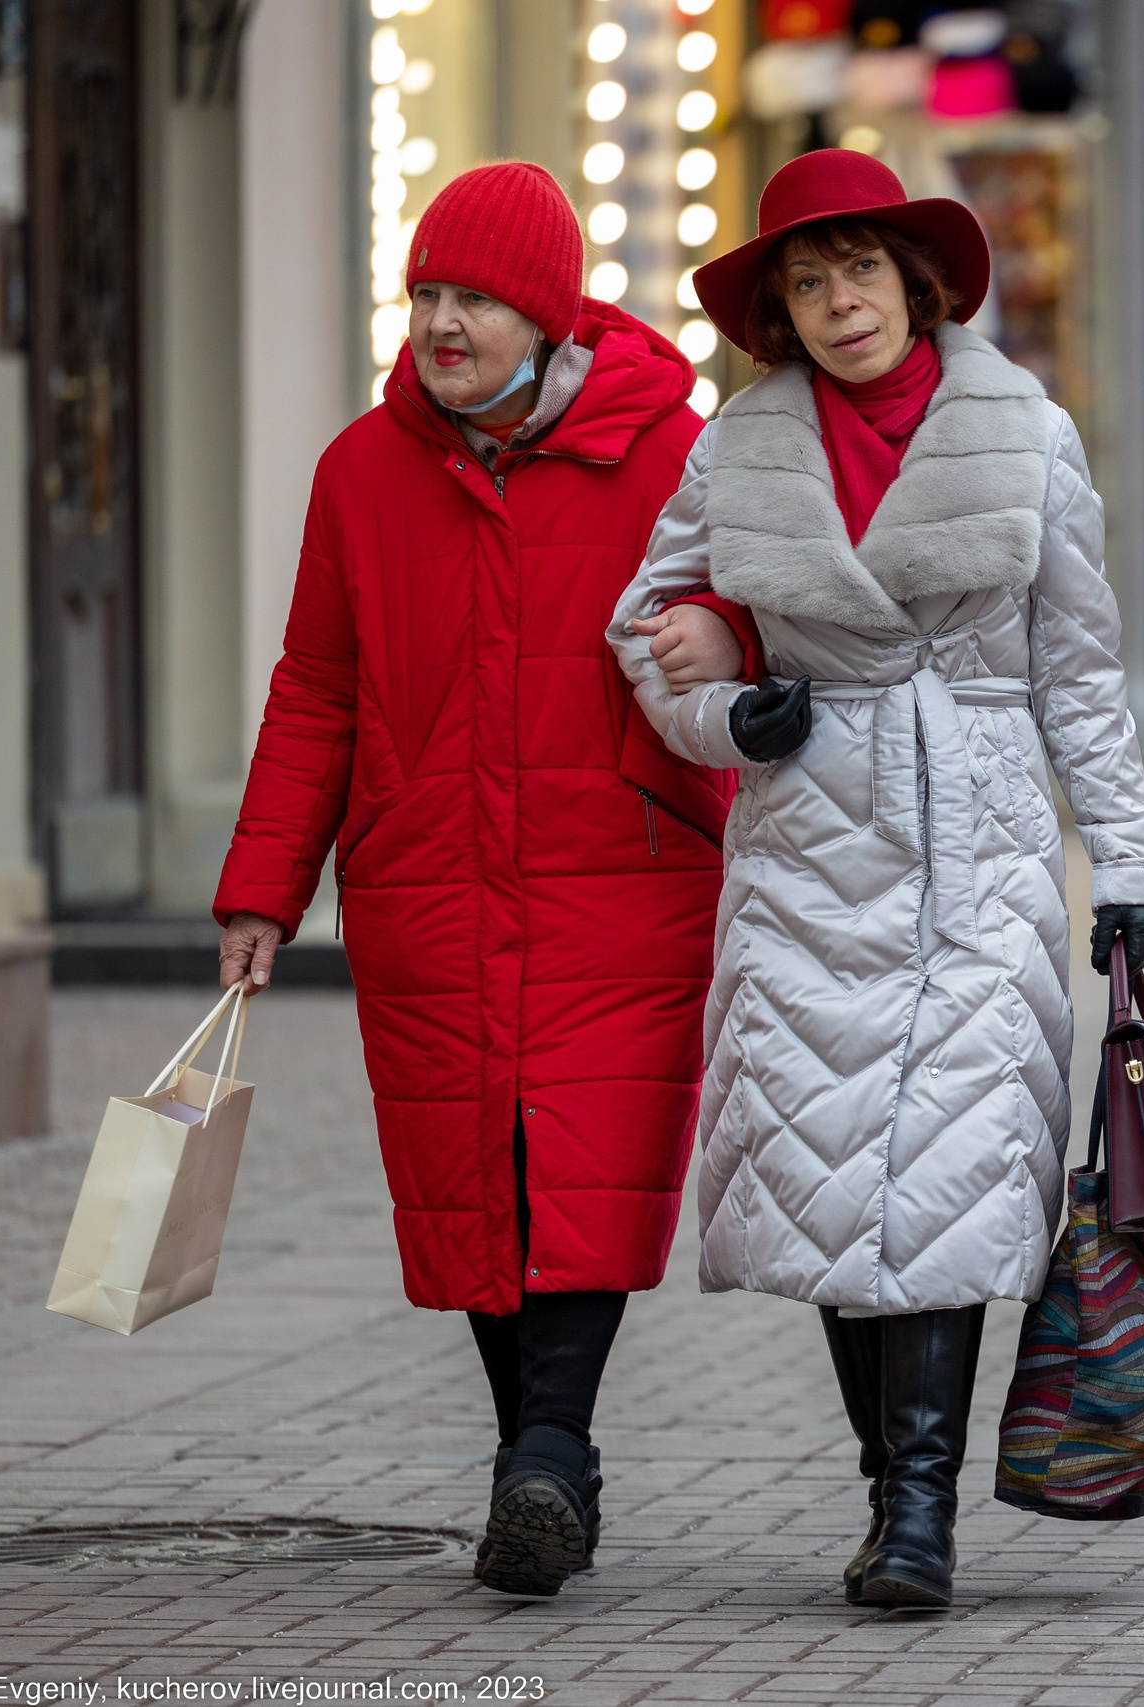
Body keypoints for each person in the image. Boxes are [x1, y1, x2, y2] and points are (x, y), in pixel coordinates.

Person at [606, 151, 1144, 1611]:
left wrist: (1128, 856)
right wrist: (731, 712)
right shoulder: (739, 449)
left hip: (978, 849)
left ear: (916, 284)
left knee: (943, 1181)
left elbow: (1078, 668)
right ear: (781, 312)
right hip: (807, 852)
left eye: (860, 269)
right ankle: (888, 1490)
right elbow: (646, 622)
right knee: (836, 1179)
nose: (839, 301)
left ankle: (918, 1515)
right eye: (807, 280)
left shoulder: (1023, 431)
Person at [212, 164, 760, 1599]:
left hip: (621, 873)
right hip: (429, 877)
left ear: (548, 311)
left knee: (582, 1158)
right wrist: (263, 886)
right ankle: (540, 1456)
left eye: (477, 299)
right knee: (477, 1176)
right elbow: (317, 689)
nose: (444, 323)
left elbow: (752, 622)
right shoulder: (361, 470)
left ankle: (549, 1451)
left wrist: (720, 645)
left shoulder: (669, 456)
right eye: (428, 295)